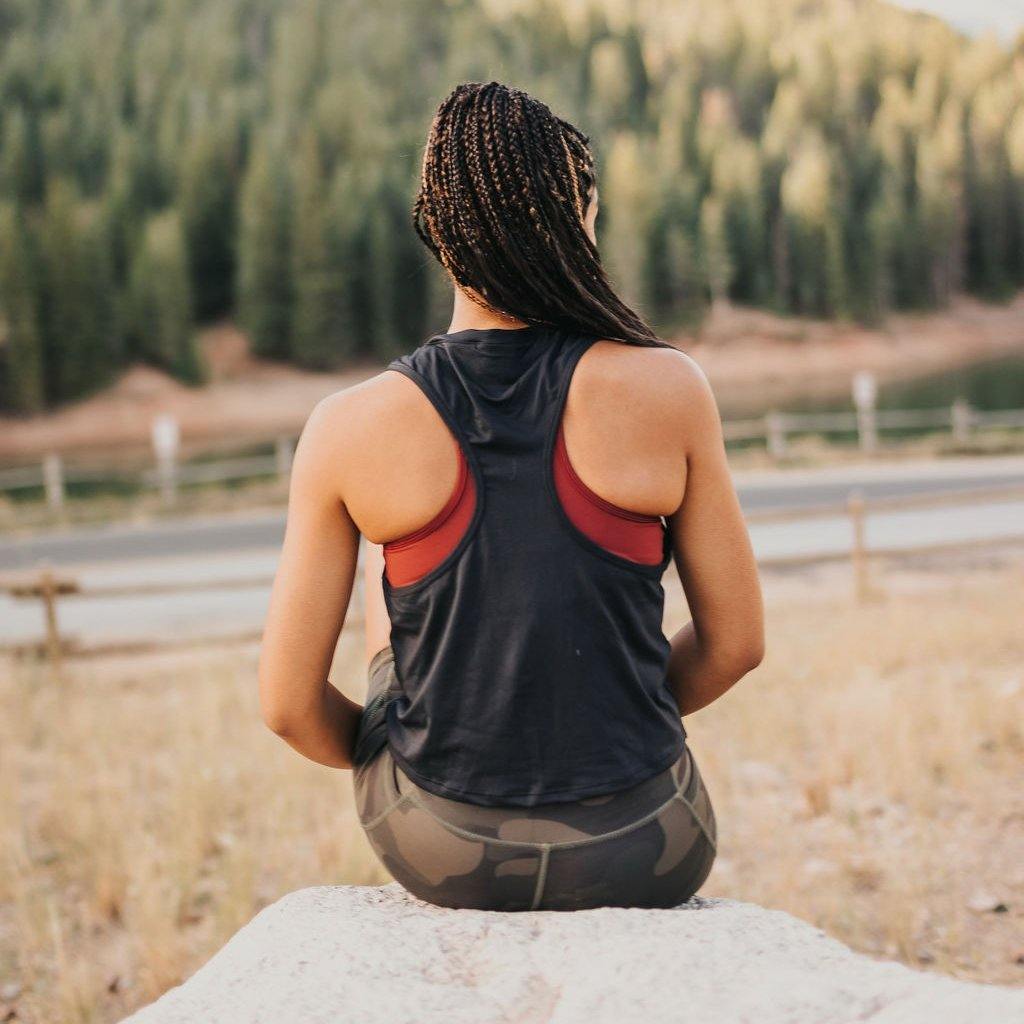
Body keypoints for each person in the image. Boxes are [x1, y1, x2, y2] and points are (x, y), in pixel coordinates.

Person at [258, 81, 764, 912]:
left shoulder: (348, 426)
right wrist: (615, 716)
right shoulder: (670, 390)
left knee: (389, 590)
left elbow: (286, 706)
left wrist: (398, 747)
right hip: (647, 844)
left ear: (439, 231)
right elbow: (736, 644)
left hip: (444, 847)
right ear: (579, 224)